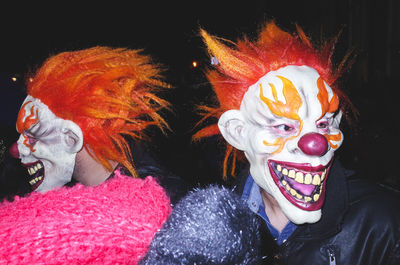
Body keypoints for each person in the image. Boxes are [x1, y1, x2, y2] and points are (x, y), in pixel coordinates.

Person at [194, 21, 400, 264]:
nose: (316, 144)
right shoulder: (211, 229)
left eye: (323, 124)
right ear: (237, 132)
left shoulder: (386, 222)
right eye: (284, 127)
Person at [8, 46, 188, 203]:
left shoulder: (163, 206)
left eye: (33, 136)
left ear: (71, 139)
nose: (16, 150)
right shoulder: (58, 204)